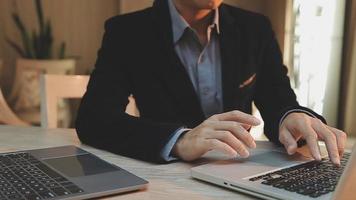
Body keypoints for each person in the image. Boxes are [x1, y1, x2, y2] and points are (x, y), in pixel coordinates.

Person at [76, 0, 347, 165]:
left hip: (239, 173)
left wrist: (292, 116)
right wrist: (180, 140)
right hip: (165, 178)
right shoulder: (128, 32)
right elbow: (94, 119)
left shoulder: (255, 28)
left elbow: (278, 100)